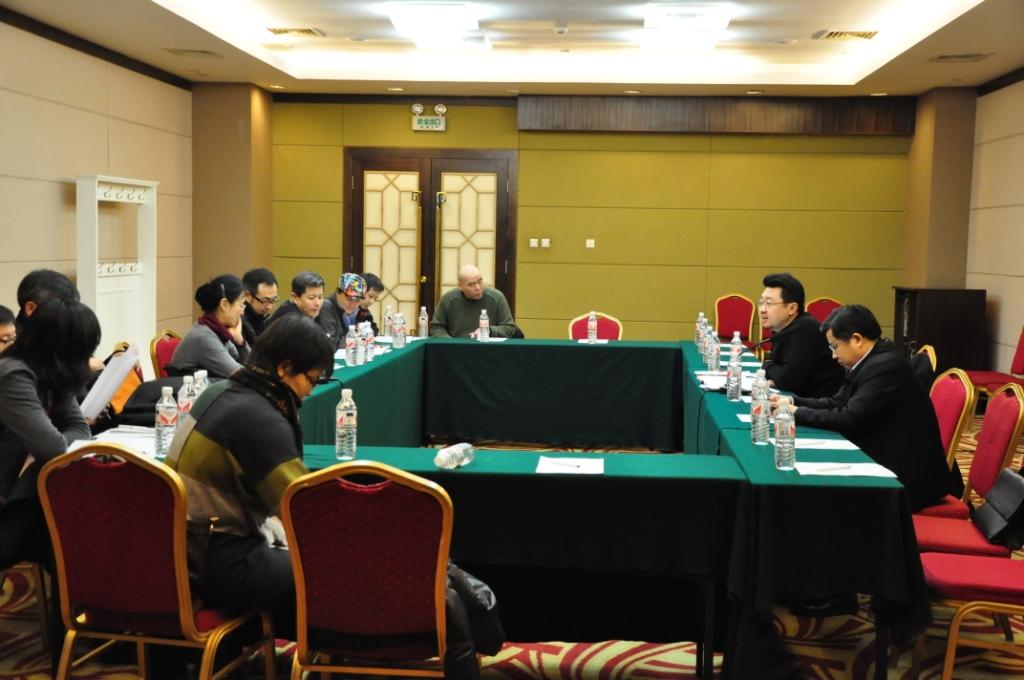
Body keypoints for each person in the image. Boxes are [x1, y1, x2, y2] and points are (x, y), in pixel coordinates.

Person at [166, 314, 333, 637]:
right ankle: (331, 658)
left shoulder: (220, 391)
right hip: (214, 562)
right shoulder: (259, 417)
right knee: (330, 571)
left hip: (176, 551)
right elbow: (301, 508)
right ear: (284, 368)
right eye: (312, 381)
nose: (311, 392)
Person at [784, 304, 953, 512]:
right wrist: (793, 402)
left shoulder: (885, 366)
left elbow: (849, 418)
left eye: (834, 347)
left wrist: (797, 413)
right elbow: (837, 402)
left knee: (825, 498)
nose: (833, 356)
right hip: (887, 455)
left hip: (907, 478)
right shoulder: (869, 360)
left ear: (857, 339)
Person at [0, 298, 100, 568]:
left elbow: (80, 429)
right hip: (6, 501)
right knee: (77, 532)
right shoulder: (13, 375)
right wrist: (56, 440)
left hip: (17, 491)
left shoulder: (49, 372)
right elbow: (53, 449)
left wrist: (56, 440)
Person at [758, 273, 844, 398]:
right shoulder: (782, 328)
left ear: (792, 308)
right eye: (761, 302)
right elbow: (779, 372)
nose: (762, 309)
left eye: (769, 303)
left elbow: (788, 381)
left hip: (820, 404)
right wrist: (772, 369)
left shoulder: (805, 330)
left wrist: (767, 365)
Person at [167, 274, 250, 379]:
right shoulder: (203, 337)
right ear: (224, 304)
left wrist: (240, 341)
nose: (242, 312)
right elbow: (243, 375)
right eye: (241, 305)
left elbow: (246, 365)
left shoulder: (217, 330)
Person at [430, 264, 517, 338]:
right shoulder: (448, 299)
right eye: (471, 284)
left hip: (488, 347)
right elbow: (436, 327)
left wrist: (489, 331)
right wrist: (449, 342)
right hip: (457, 348)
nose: (478, 288)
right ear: (460, 286)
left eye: (480, 282)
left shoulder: (496, 297)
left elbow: (509, 328)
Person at [319, 273, 366, 347]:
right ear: (337, 293)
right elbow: (330, 345)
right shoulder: (325, 307)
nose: (353, 304)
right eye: (349, 299)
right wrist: (354, 334)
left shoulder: (353, 309)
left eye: (357, 300)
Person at [241, 267, 279, 346]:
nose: (269, 307)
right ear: (247, 296)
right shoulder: (237, 324)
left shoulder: (269, 320)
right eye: (265, 301)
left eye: (273, 300)